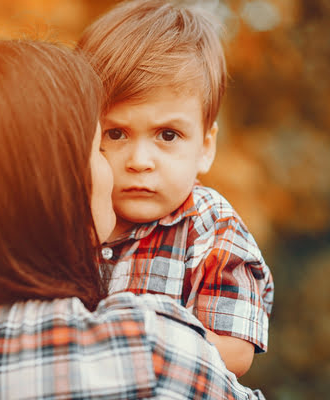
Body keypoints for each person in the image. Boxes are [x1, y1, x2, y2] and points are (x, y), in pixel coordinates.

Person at [0, 39, 264, 399]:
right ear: (46, 184)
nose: (128, 165)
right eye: (105, 142)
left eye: (167, 135)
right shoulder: (151, 357)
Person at [77, 0, 274, 377]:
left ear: (205, 148)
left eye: (167, 135)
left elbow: (235, 351)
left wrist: (133, 341)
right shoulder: (68, 213)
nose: (139, 160)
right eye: (115, 133)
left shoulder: (212, 227)